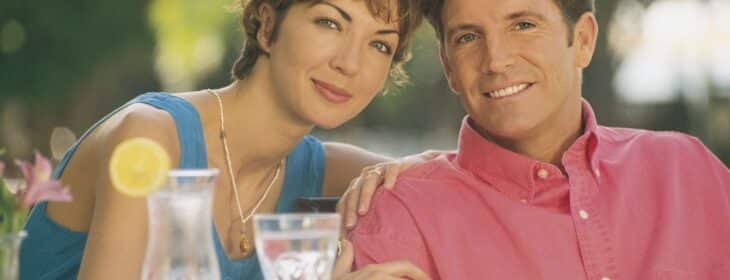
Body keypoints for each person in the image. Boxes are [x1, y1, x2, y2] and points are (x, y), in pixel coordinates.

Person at [18, 0, 433, 278]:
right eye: (329, 22)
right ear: (268, 26)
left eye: (380, 44)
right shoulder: (149, 141)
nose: (350, 63)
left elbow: (462, 177)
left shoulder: (330, 172)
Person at [348, 0, 730, 279]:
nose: (495, 60)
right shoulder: (401, 217)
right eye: (467, 37)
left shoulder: (688, 169)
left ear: (582, 39)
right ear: (448, 66)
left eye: (523, 25)